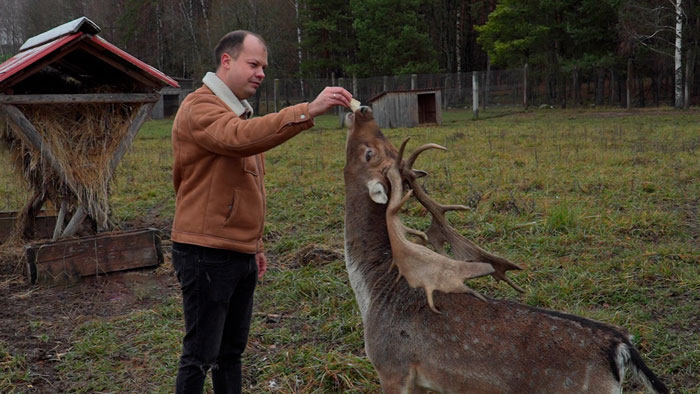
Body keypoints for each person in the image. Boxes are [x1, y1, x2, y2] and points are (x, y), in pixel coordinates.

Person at [170, 30, 352, 394]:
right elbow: (237, 138)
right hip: (207, 253)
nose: (261, 73)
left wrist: (255, 244)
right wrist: (307, 110)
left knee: (231, 353)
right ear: (227, 61)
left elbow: (243, 187)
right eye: (253, 64)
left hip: (237, 251)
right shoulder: (200, 107)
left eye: (264, 67)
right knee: (200, 354)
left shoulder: (236, 112)